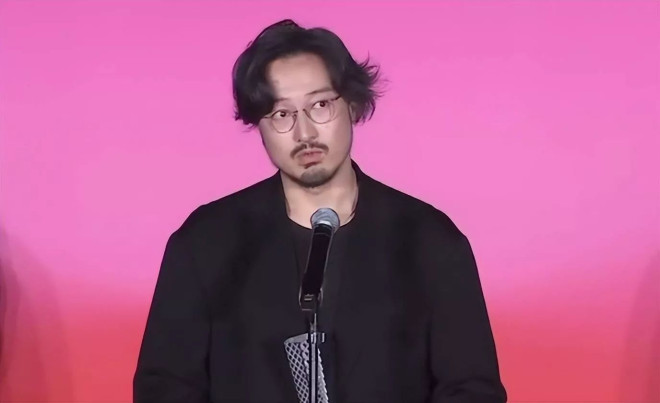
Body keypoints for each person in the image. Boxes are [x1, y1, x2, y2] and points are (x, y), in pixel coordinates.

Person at [133, 19, 507, 403]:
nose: (305, 133)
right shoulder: (206, 242)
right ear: (259, 125)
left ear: (353, 105)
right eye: (282, 114)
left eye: (320, 105)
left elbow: (471, 389)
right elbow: (166, 387)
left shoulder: (429, 241)